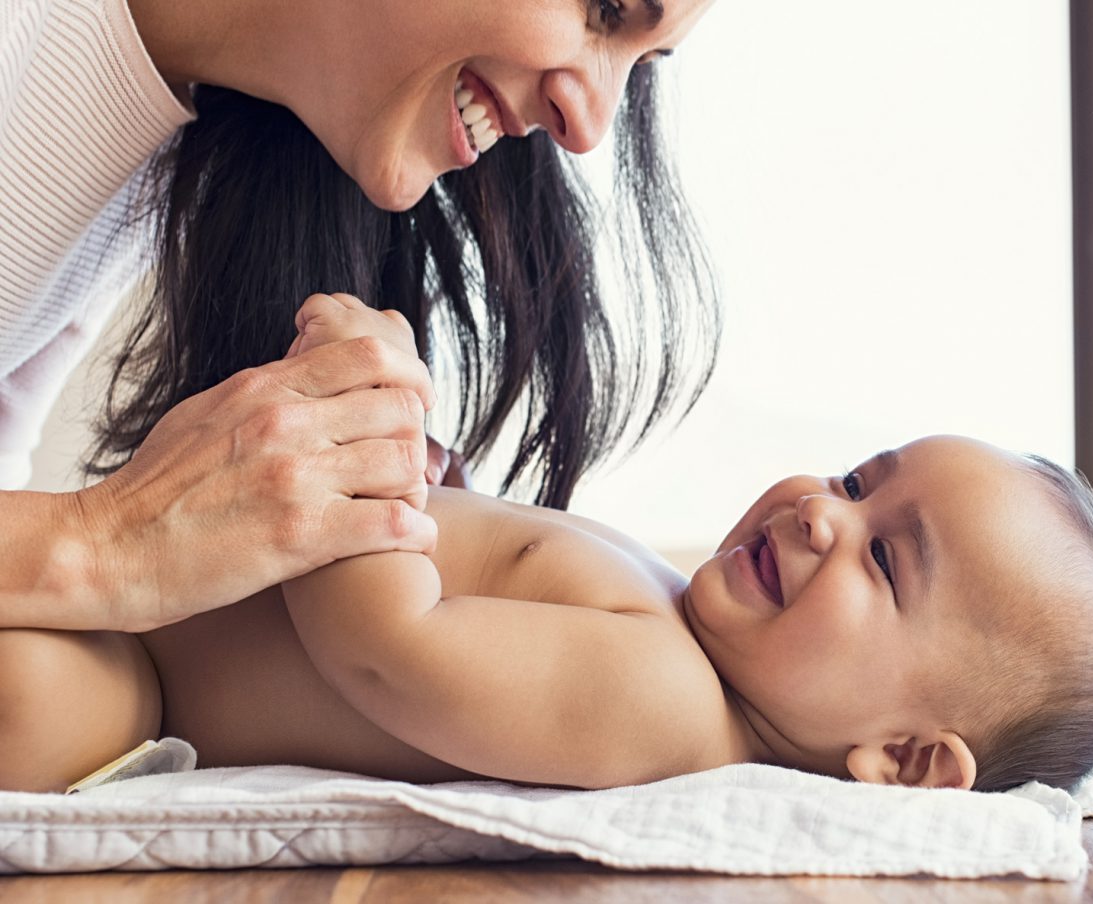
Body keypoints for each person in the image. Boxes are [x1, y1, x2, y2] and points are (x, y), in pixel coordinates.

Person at [0, 289, 1093, 793]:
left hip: (146, 683)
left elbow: (388, 650)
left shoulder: (667, 700)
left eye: (884, 558)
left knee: (25, 694)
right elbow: (488, 569)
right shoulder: (681, 630)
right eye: (858, 480)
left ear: (903, 761)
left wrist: (362, 428)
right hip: (155, 605)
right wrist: (451, 495)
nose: (820, 511)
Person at [0, 1, 720, 633]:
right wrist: (108, 541)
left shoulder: (149, 125)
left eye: (643, 65)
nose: (591, 128)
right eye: (602, 7)